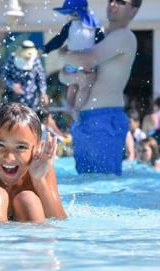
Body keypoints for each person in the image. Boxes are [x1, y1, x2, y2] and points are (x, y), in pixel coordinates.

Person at [59, 0, 142, 175]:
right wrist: (74, 76)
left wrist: (63, 54)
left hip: (104, 119)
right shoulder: (97, 34)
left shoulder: (125, 36)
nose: (113, 4)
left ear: (134, 11)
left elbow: (87, 59)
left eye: (121, 2)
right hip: (81, 119)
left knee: (103, 186)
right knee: (86, 185)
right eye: (111, 0)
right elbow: (62, 75)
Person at [44, 0, 105, 114]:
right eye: (70, 13)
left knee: (83, 84)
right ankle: (71, 107)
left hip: (87, 61)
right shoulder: (71, 26)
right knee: (75, 84)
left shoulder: (94, 26)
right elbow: (59, 40)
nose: (71, 15)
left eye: (73, 12)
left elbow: (101, 43)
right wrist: (46, 48)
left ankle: (77, 109)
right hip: (75, 61)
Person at [1, 40, 49, 111]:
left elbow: (41, 77)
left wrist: (43, 92)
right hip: (14, 98)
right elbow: (3, 74)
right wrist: (12, 85)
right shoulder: (12, 58)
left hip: (32, 99)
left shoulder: (36, 60)